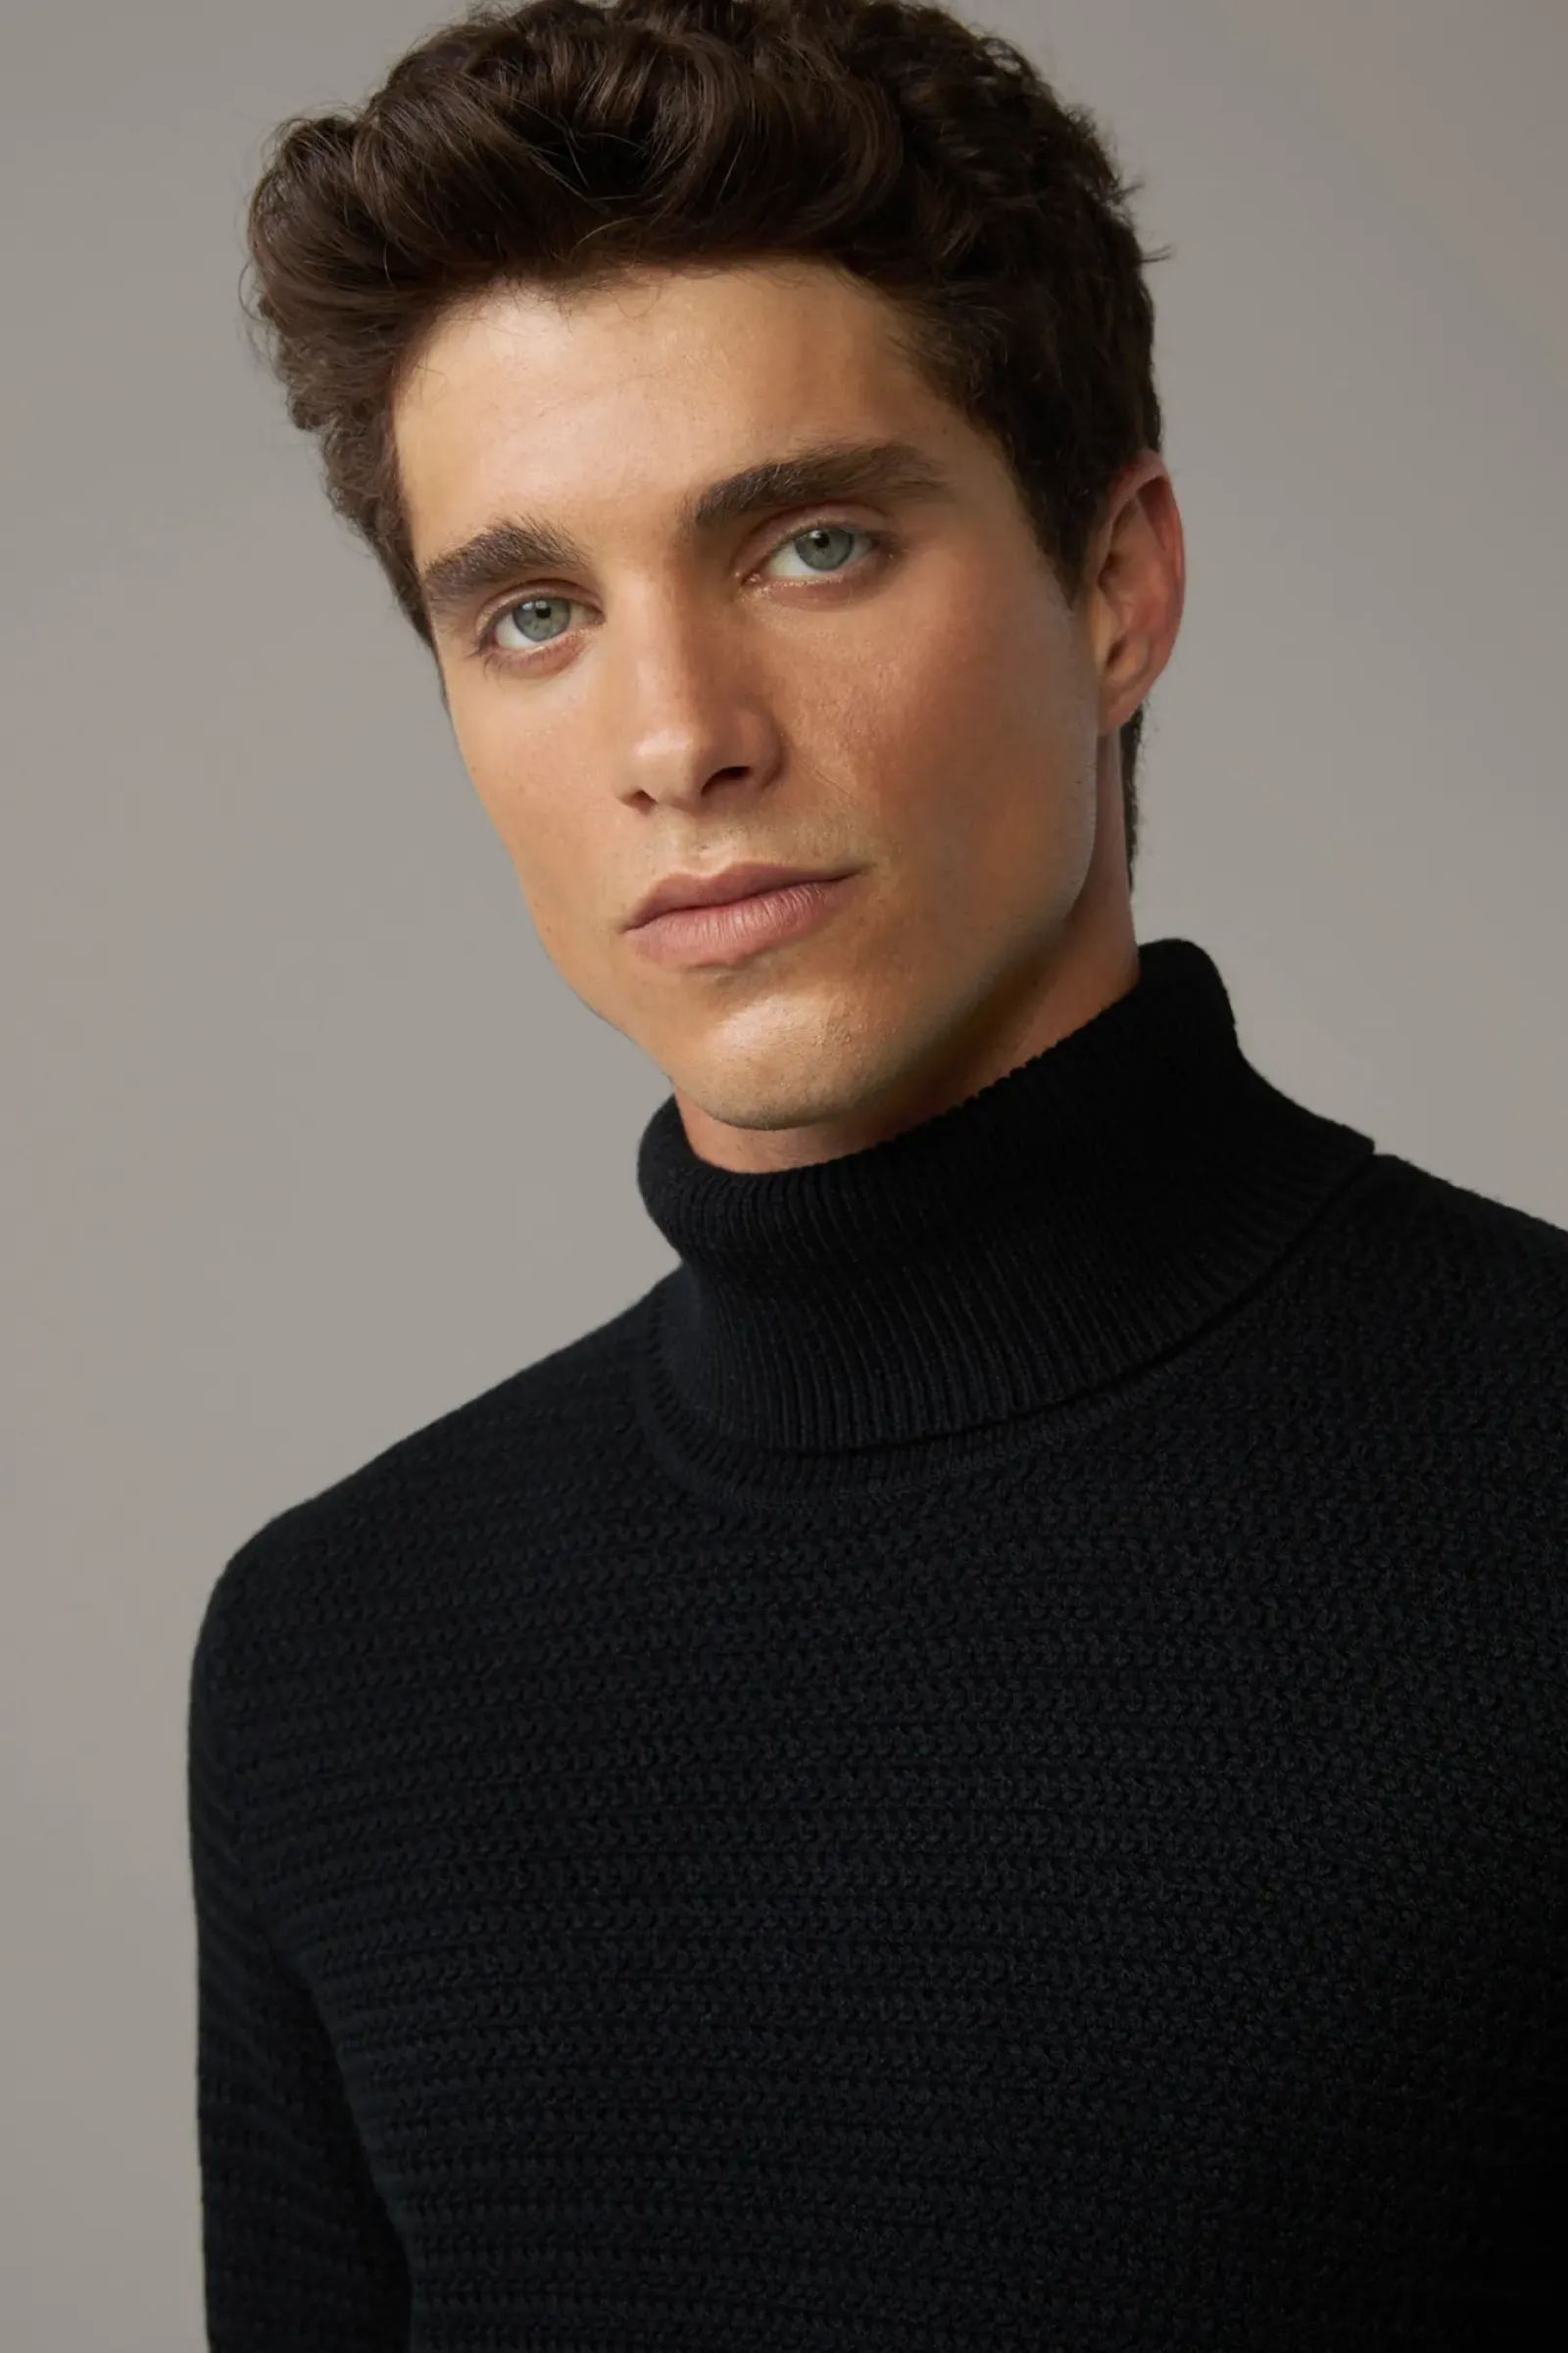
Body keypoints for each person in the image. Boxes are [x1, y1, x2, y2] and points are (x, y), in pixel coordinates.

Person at [187, 2, 1567, 2345]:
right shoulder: (337, 1660)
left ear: (1112, 587)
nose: (676, 739)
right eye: (532, 613)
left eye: (810, 543)